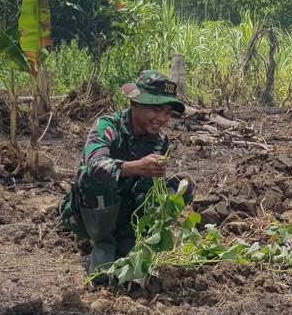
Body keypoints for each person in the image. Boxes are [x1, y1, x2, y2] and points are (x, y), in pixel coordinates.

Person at [60, 69, 194, 277]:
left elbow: (147, 188)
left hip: (126, 211)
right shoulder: (108, 126)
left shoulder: (160, 141)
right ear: (134, 104)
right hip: (89, 212)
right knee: (96, 179)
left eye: (168, 112)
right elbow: (94, 165)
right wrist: (135, 166)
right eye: (156, 109)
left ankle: (131, 242)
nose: (163, 118)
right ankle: (104, 245)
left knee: (181, 185)